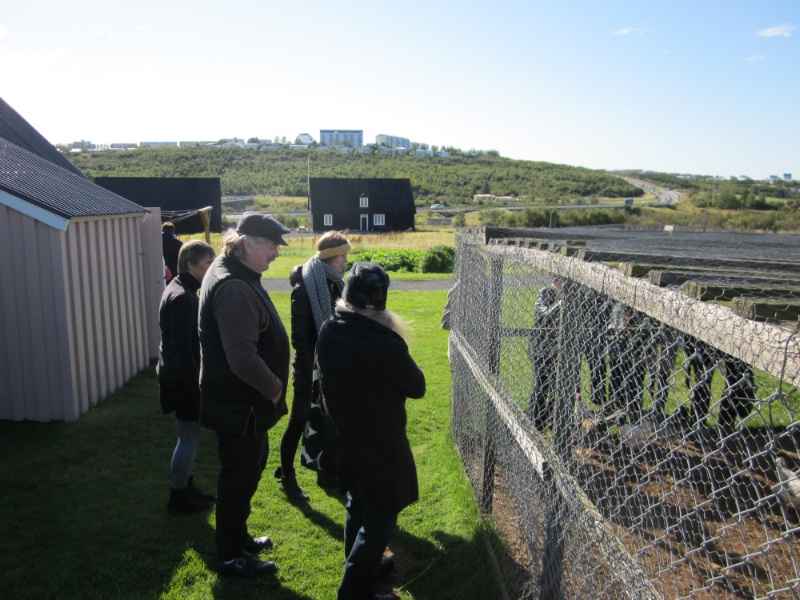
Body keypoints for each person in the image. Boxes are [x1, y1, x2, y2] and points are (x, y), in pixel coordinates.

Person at [317, 263, 426, 600]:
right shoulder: (383, 340)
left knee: (358, 504)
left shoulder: (330, 329)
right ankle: (353, 590)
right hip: (381, 442)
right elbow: (417, 386)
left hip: (344, 435)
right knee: (381, 519)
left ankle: (365, 570)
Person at [199, 213, 291, 578]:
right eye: (271, 245)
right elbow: (242, 359)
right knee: (238, 478)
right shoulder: (234, 287)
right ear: (247, 242)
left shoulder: (233, 271)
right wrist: (276, 388)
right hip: (241, 406)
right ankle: (230, 555)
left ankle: (238, 538)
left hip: (241, 405)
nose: (276, 253)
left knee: (245, 474)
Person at [275, 231, 351, 502]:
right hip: (309, 368)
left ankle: (327, 472)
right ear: (332, 257)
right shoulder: (305, 288)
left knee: (330, 421)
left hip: (330, 367)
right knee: (298, 420)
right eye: (343, 256)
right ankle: (286, 474)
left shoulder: (336, 284)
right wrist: (316, 370)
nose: (346, 262)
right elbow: (300, 338)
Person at [157, 240, 216, 514]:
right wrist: (195, 386)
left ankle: (185, 486)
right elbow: (184, 350)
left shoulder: (181, 289)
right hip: (183, 381)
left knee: (188, 436)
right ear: (190, 264)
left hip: (179, 377)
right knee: (188, 438)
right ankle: (178, 496)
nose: (211, 269)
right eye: (207, 264)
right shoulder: (183, 298)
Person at [527, 278, 563, 430]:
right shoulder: (544, 295)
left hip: (555, 350)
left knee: (555, 387)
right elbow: (546, 315)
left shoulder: (561, 297)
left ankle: (549, 420)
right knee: (541, 385)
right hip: (541, 350)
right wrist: (561, 303)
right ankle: (535, 420)